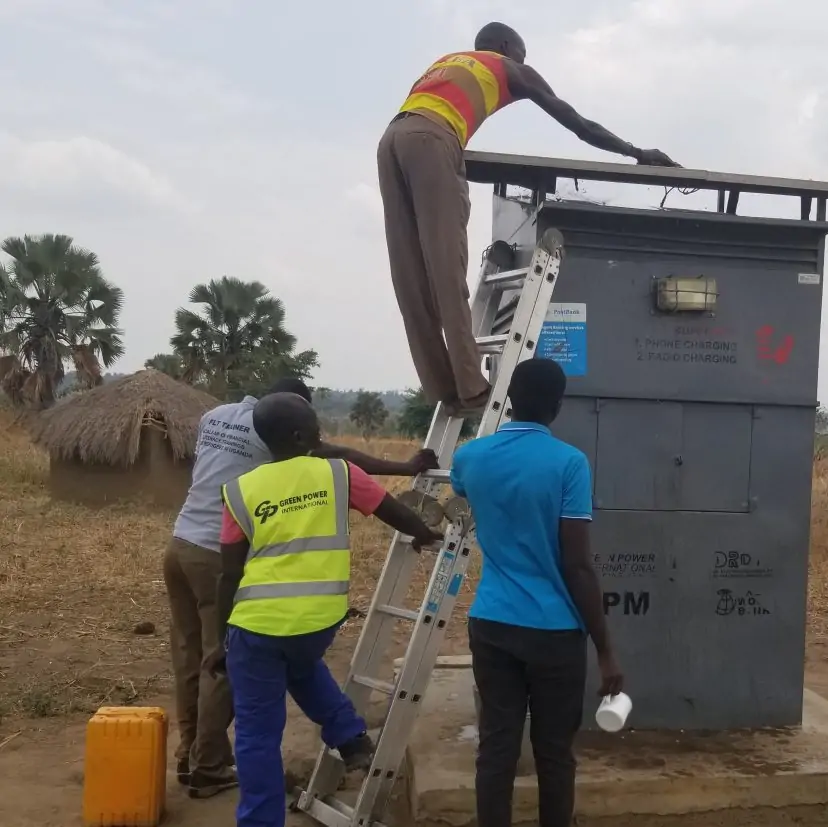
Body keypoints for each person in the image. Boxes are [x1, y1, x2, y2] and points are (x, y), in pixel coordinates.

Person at [378, 22, 678, 417]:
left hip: (391, 141)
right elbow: (576, 122)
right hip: (433, 141)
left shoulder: (447, 63)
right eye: (522, 52)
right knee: (446, 269)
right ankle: (470, 391)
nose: (524, 61)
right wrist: (636, 152)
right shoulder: (510, 68)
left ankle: (442, 391)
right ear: (505, 46)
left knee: (410, 276)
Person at [164, 377, 437, 799]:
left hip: (180, 544)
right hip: (224, 563)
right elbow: (347, 462)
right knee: (231, 666)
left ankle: (191, 754)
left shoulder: (216, 419)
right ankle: (209, 764)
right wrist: (406, 471)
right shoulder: (321, 467)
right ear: (297, 430)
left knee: (191, 657)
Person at [449, 358, 624, 827]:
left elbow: (461, 492)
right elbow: (577, 566)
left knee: (497, 747)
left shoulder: (469, 457)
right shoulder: (569, 464)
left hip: (491, 624)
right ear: (557, 407)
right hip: (554, 633)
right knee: (554, 753)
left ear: (509, 401)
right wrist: (606, 650)